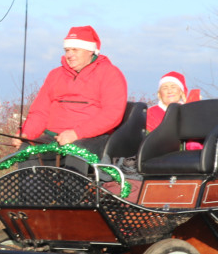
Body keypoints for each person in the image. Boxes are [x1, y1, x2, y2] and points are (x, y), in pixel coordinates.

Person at [13, 25, 127, 156]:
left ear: (90, 51)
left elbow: (111, 114)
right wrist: (26, 133)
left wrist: (76, 133)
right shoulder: (55, 75)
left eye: (75, 50)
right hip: (54, 137)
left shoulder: (110, 74)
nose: (69, 55)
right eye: (67, 50)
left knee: (75, 152)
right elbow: (40, 112)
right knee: (26, 151)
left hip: (93, 138)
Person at [146, 71, 202, 149]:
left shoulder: (190, 110)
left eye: (173, 87)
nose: (169, 91)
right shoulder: (150, 113)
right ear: (159, 94)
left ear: (181, 92)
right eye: (165, 88)